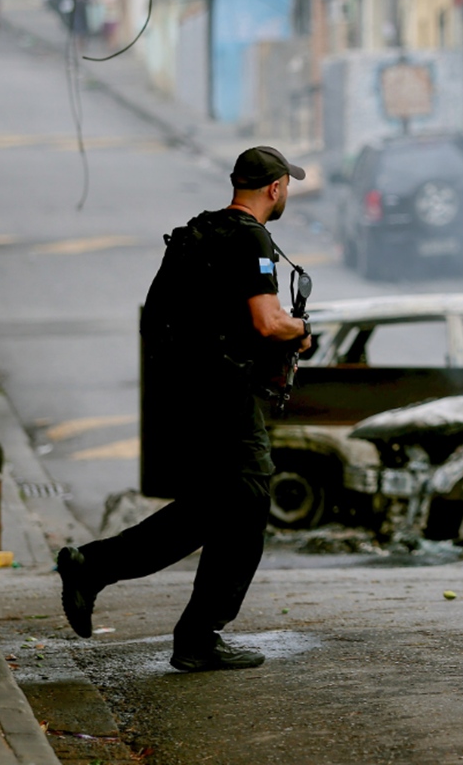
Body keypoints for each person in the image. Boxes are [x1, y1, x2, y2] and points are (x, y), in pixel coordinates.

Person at [56, 146, 312, 673]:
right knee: (247, 496)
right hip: (222, 392)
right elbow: (267, 322)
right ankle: (193, 632)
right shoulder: (251, 238)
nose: (286, 193)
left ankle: (100, 571)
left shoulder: (199, 232)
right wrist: (301, 329)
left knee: (214, 508)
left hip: (182, 393)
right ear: (275, 188)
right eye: (287, 185)